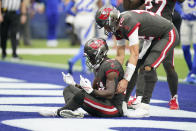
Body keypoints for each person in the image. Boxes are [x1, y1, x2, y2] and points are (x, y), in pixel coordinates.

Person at [95, 6, 179, 117]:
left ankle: (144, 106)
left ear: (112, 19)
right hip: (151, 38)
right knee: (129, 66)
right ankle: (123, 102)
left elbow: (134, 54)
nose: (106, 29)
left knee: (148, 66)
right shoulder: (118, 27)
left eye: (105, 24)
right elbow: (120, 55)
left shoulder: (128, 22)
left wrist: (125, 80)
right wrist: (115, 75)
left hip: (167, 34)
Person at [121, 0, 184, 110]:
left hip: (165, 31)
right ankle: (139, 97)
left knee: (168, 66)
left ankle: (174, 97)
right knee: (141, 63)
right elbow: (129, 6)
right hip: (149, 31)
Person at [39, 38, 125, 118]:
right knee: (69, 89)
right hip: (102, 103)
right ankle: (70, 111)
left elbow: (110, 93)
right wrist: (75, 84)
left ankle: (59, 112)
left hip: (112, 108)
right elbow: (93, 91)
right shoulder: (98, 67)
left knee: (82, 94)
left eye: (90, 56)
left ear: (100, 53)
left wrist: (90, 91)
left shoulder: (111, 66)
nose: (89, 59)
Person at [66, 0, 101, 74]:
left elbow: (67, 9)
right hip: (88, 19)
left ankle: (84, 67)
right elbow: (100, 6)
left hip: (78, 19)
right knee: (86, 45)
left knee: (83, 44)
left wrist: (75, 15)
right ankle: (73, 60)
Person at [180, 0, 196, 84]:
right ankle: (192, 72)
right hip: (185, 20)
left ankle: (193, 74)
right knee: (185, 48)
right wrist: (181, 12)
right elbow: (175, 3)